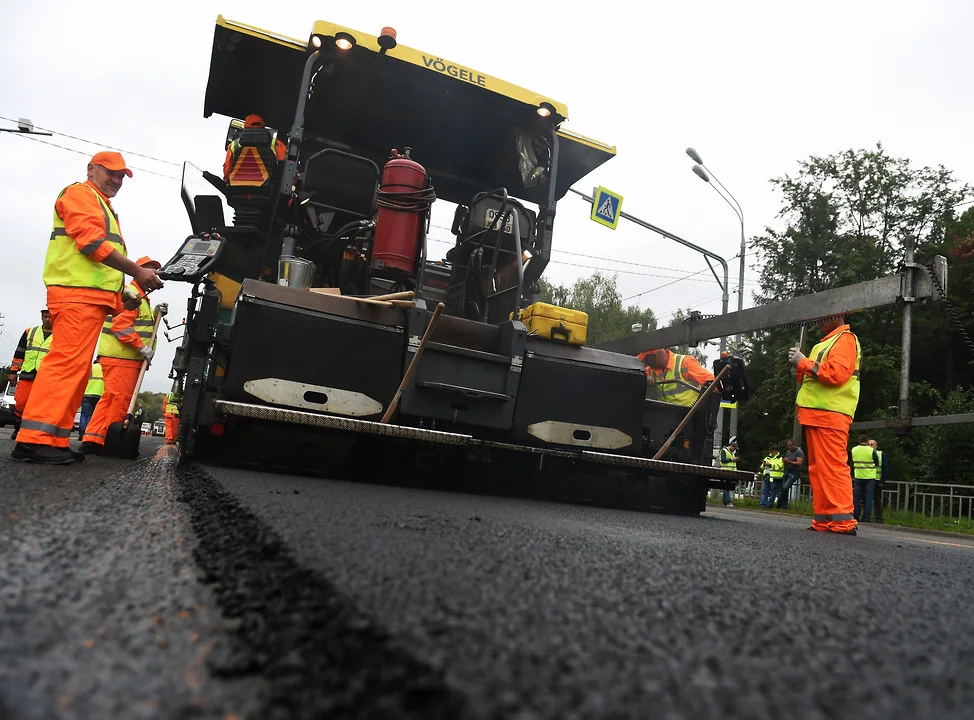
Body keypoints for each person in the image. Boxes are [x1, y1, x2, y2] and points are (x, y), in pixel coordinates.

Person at [11, 152, 163, 465]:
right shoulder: (79, 194)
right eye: (112, 173)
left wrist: (127, 296)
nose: (117, 181)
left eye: (122, 177)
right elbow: (92, 245)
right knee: (66, 366)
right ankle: (34, 441)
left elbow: (99, 267)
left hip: (89, 299)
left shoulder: (100, 204)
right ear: (91, 169)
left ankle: (51, 440)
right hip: (76, 296)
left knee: (76, 371)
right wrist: (136, 271)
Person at [80, 257, 165, 455]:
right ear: (139, 272)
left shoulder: (139, 296)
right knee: (118, 401)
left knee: (111, 399)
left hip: (123, 358)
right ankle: (109, 442)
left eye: (155, 272)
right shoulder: (133, 294)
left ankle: (93, 439)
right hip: (123, 359)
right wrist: (141, 347)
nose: (154, 276)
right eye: (150, 271)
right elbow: (121, 327)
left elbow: (136, 324)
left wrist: (155, 314)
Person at [789, 314, 862, 535]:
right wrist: (800, 368)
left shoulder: (845, 339)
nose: (819, 321)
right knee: (819, 469)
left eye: (825, 317)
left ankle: (842, 522)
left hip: (831, 412)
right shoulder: (827, 342)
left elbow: (836, 374)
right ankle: (823, 520)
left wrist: (802, 362)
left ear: (838, 315)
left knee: (832, 467)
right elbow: (812, 378)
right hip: (818, 413)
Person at [7, 308, 53, 441]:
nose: (47, 319)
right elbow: (20, 352)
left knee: (39, 406)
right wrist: (13, 371)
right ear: (41, 317)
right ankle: (17, 429)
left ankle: (30, 433)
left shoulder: (59, 335)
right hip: (27, 373)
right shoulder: (30, 332)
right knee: (20, 403)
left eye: (50, 317)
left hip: (46, 376)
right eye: (45, 316)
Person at [638, 348, 715, 407]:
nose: (645, 363)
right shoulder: (651, 370)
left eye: (646, 359)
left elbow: (711, 382)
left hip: (689, 416)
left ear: (654, 356)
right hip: (666, 416)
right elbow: (638, 375)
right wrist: (646, 377)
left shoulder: (685, 363)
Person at [223, 113, 287, 184]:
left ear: (245, 128)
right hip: (266, 190)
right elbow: (285, 168)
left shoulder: (233, 145)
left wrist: (226, 182)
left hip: (238, 190)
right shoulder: (276, 144)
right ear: (263, 127)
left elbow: (227, 169)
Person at [850, 433, 879, 522]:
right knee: (869, 497)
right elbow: (876, 462)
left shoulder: (854, 449)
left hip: (858, 475)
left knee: (857, 497)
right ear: (867, 441)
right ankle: (866, 517)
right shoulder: (871, 451)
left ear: (859, 441)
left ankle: (856, 516)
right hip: (870, 476)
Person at [77, 360, 104, 439]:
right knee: (93, 416)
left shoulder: (90, 368)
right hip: (99, 394)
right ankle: (88, 433)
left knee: (84, 415)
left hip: (87, 394)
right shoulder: (104, 368)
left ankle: (81, 433)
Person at [777, 439, 805, 509]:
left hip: (795, 471)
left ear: (794, 445)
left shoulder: (799, 452)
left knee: (786, 487)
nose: (789, 448)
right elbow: (786, 461)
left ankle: (779, 502)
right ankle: (784, 505)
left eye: (790, 446)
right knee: (783, 488)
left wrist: (789, 461)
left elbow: (799, 463)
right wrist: (784, 461)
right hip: (788, 470)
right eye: (788, 446)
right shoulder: (788, 452)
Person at [869, 439, 888, 523]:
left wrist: (882, 481)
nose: (870, 446)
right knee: (866, 499)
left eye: (872, 444)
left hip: (877, 480)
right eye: (869, 444)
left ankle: (878, 518)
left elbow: (885, 469)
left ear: (876, 446)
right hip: (868, 479)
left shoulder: (881, 455)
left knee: (877, 499)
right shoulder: (866, 454)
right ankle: (866, 516)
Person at [718, 439, 739, 507]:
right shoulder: (724, 451)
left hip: (729, 472)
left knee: (726, 487)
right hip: (724, 471)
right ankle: (728, 502)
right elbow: (723, 460)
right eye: (734, 448)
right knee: (726, 487)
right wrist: (732, 459)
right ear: (731, 446)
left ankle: (725, 502)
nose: (734, 449)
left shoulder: (731, 452)